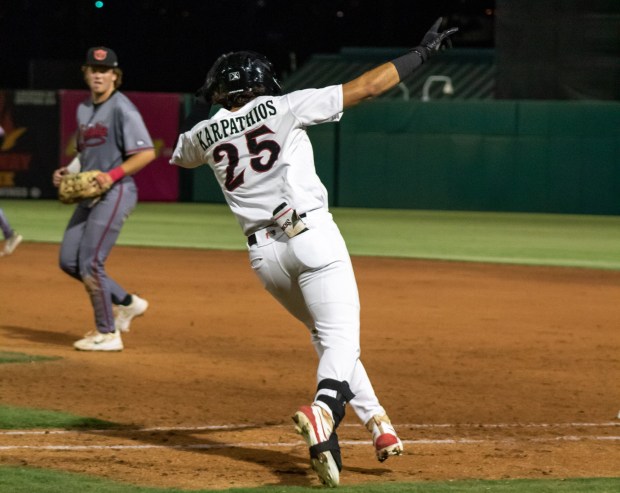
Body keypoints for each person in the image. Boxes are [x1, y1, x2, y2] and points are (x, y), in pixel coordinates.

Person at [171, 18, 457, 487]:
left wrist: (211, 102)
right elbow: (367, 87)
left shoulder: (202, 136)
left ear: (221, 91)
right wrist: (420, 55)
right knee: (343, 337)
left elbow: (181, 148)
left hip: (265, 260)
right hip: (309, 237)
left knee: (327, 338)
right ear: (263, 83)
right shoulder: (284, 106)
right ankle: (324, 411)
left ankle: (378, 426)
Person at [52, 46, 156, 352]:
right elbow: (85, 153)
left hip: (116, 191)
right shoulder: (83, 109)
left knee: (90, 262)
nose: (98, 75)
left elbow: (146, 152)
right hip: (91, 192)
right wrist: (67, 170)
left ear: (115, 75)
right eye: (93, 70)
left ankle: (108, 333)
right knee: (69, 260)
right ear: (86, 73)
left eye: (104, 70)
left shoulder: (123, 108)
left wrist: (111, 176)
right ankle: (127, 302)